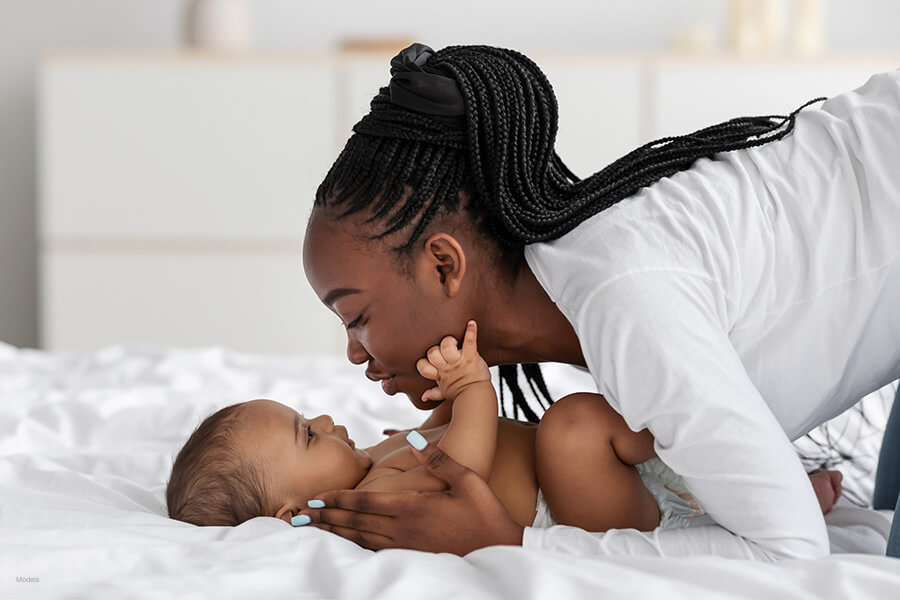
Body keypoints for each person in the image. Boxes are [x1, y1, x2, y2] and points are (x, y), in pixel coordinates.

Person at [298, 42, 900, 560]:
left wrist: (512, 542)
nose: (352, 353)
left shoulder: (625, 301)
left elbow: (791, 551)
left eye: (356, 316)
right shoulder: (597, 277)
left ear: (443, 264)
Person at [165, 321, 843, 532]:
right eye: (305, 436)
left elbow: (432, 436)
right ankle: (749, 493)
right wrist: (470, 388)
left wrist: (437, 396)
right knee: (572, 425)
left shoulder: (371, 459)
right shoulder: (374, 505)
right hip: (581, 503)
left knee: (616, 405)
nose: (319, 418)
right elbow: (465, 466)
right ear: (293, 511)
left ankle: (733, 453)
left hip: (607, 477)